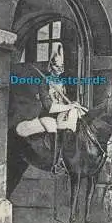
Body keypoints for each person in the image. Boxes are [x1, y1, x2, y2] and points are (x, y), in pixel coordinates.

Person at [37, 45, 84, 174]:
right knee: (54, 129)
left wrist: (72, 104)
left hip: (61, 112)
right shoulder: (44, 82)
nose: (60, 69)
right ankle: (56, 162)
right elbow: (49, 106)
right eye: (57, 66)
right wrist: (68, 107)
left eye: (62, 66)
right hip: (48, 115)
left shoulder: (61, 82)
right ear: (51, 66)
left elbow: (63, 100)